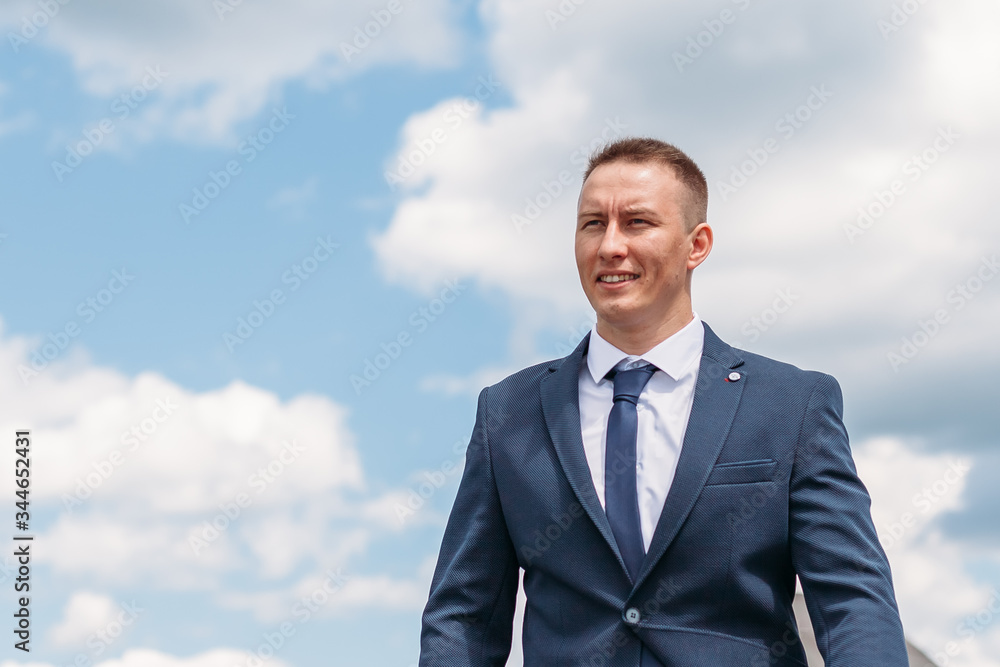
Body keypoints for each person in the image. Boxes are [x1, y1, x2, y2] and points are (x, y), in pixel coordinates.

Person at [418, 137, 908, 666]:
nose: (609, 245)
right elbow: (463, 615)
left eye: (637, 222)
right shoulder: (507, 414)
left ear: (696, 245)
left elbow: (852, 598)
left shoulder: (793, 405)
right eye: (591, 224)